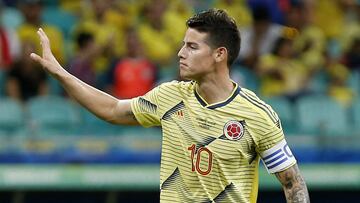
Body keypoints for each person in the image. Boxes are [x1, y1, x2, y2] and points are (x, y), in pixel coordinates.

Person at [30, 9, 310, 203]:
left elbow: (292, 183)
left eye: (192, 47)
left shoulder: (257, 115)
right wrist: (60, 73)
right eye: (182, 45)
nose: (180, 53)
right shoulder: (170, 96)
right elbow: (113, 110)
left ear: (219, 54)